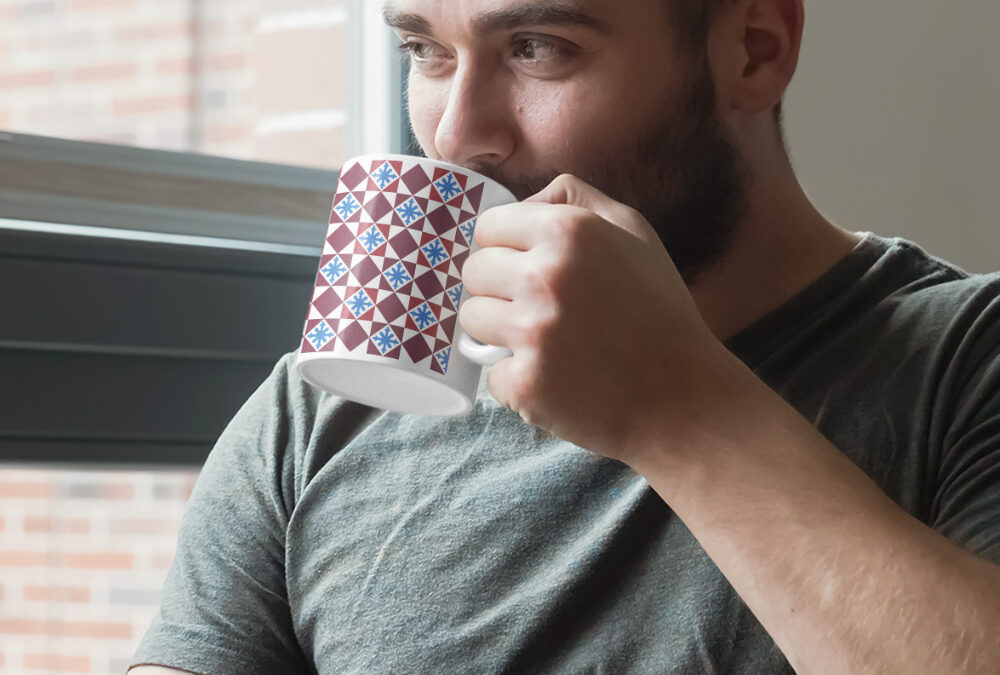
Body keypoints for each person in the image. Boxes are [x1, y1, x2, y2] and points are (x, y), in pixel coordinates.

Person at [130, 0, 1000, 672]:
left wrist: (681, 411)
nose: (457, 133)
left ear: (755, 49)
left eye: (537, 46)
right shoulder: (317, 408)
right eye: (425, 50)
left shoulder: (969, 360)